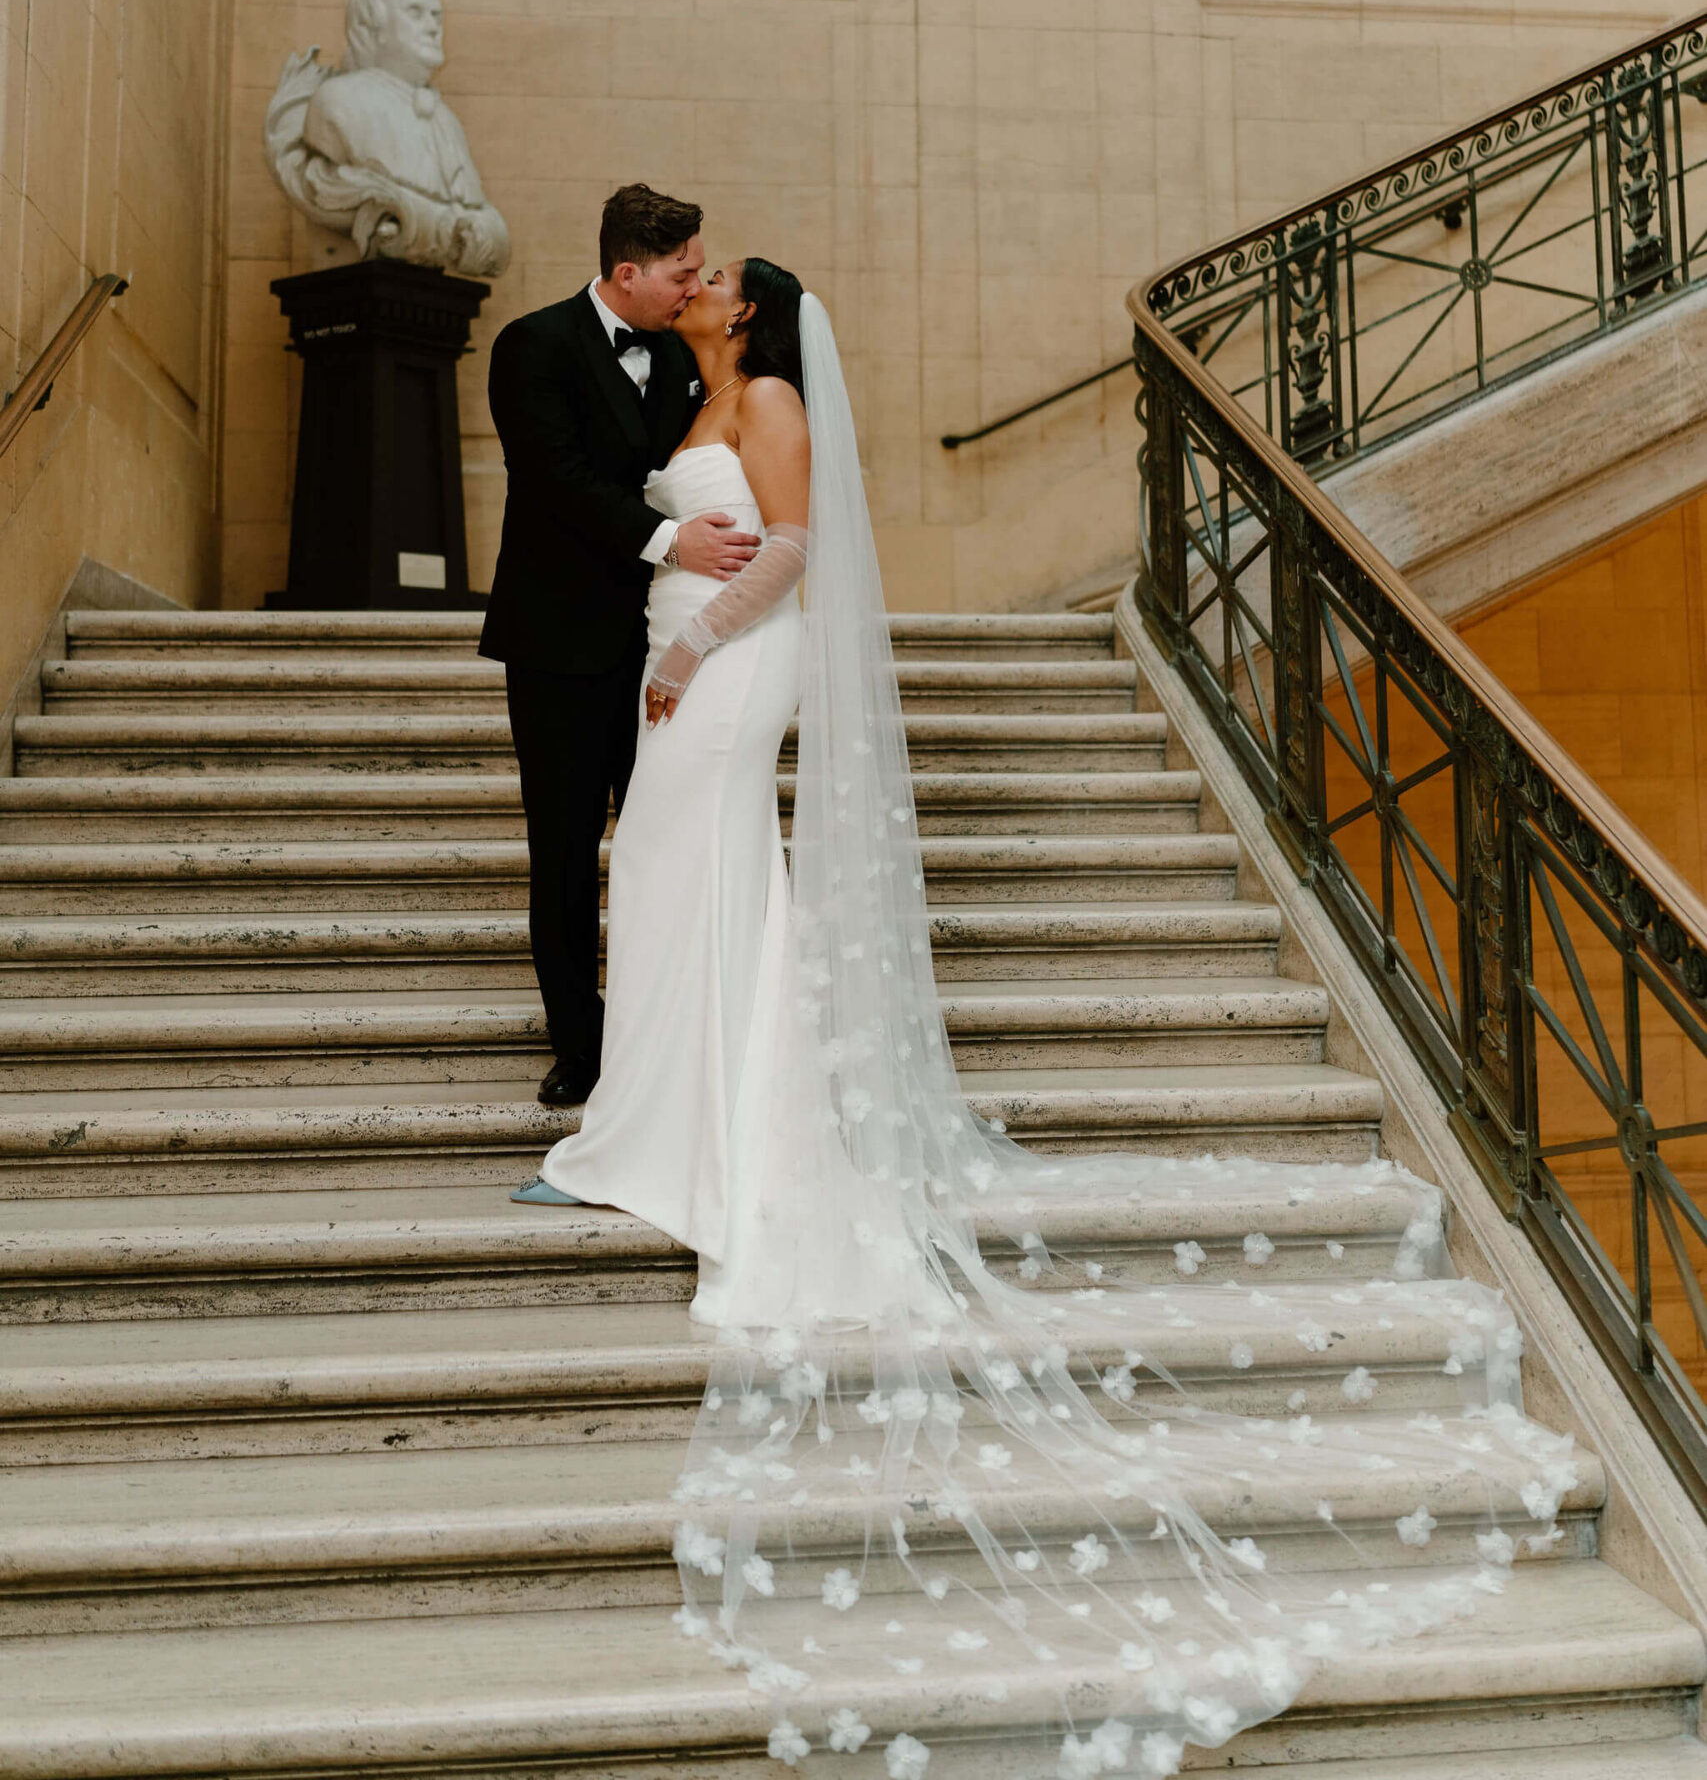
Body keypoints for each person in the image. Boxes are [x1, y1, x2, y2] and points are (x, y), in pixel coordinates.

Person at [509, 264, 1577, 1779]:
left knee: (701, 860)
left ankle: (709, 1129)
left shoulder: (772, 400)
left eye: (717, 278)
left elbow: (797, 546)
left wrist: (688, 645)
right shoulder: (692, 397)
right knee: (677, 887)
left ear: (743, 315)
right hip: (682, 651)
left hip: (731, 665)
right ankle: (670, 1109)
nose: (699, 280)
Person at [479, 185, 760, 1109]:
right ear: (626, 273)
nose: (691, 289)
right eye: (680, 274)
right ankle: (579, 1045)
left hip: (665, 645)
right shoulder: (532, 345)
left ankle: (660, 1031)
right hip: (557, 642)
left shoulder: (688, 356)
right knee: (561, 851)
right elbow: (554, 480)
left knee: (659, 844)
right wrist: (670, 543)